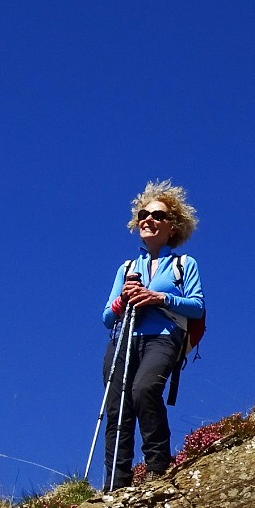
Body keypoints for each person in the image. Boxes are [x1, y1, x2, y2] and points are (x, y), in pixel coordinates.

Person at [99, 180, 204, 491]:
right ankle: (115, 484)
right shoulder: (127, 267)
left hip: (163, 337)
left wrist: (159, 298)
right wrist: (124, 300)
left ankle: (158, 468)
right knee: (118, 406)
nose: (148, 219)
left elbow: (197, 307)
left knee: (144, 390)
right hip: (124, 339)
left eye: (157, 216)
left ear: (172, 226)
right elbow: (107, 317)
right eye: (144, 214)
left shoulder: (184, 265)